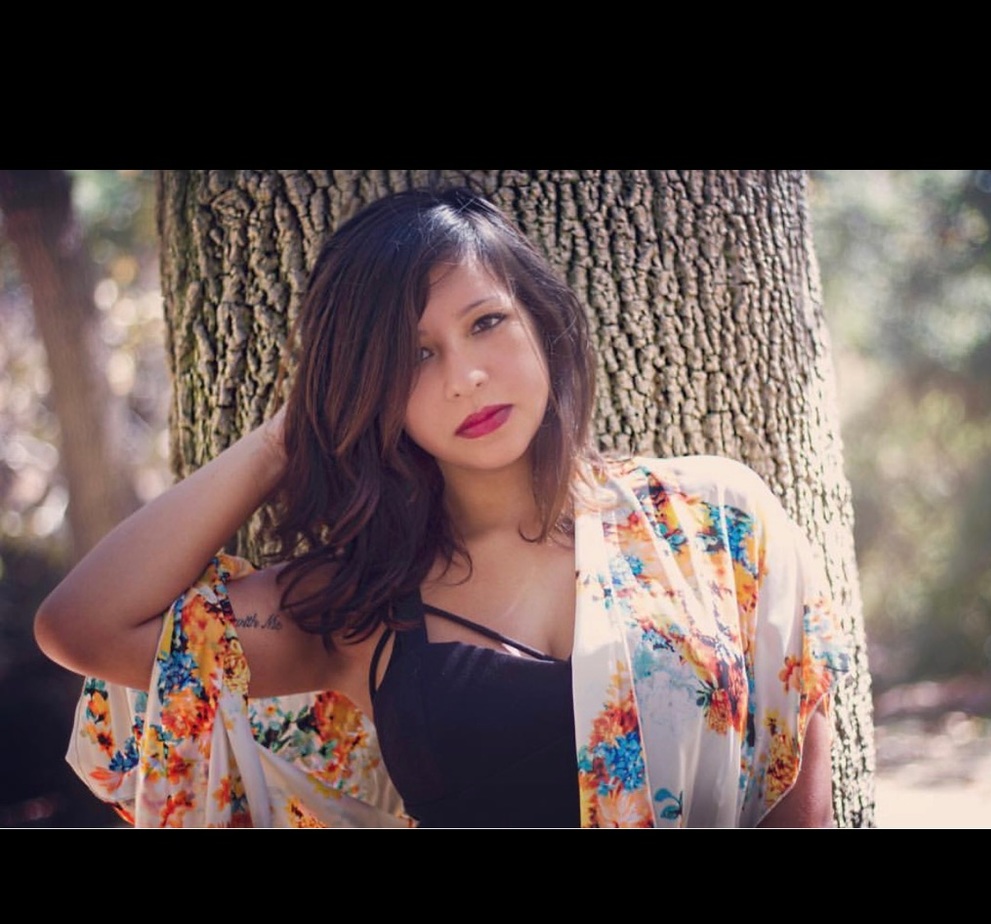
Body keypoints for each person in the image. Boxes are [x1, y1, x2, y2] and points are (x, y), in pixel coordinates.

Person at [35, 186, 849, 828]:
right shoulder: (360, 606)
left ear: (543, 323)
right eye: (412, 356)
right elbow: (84, 627)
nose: (465, 377)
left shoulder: (714, 520)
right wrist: (286, 438)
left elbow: (796, 790)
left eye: (487, 322)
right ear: (370, 390)